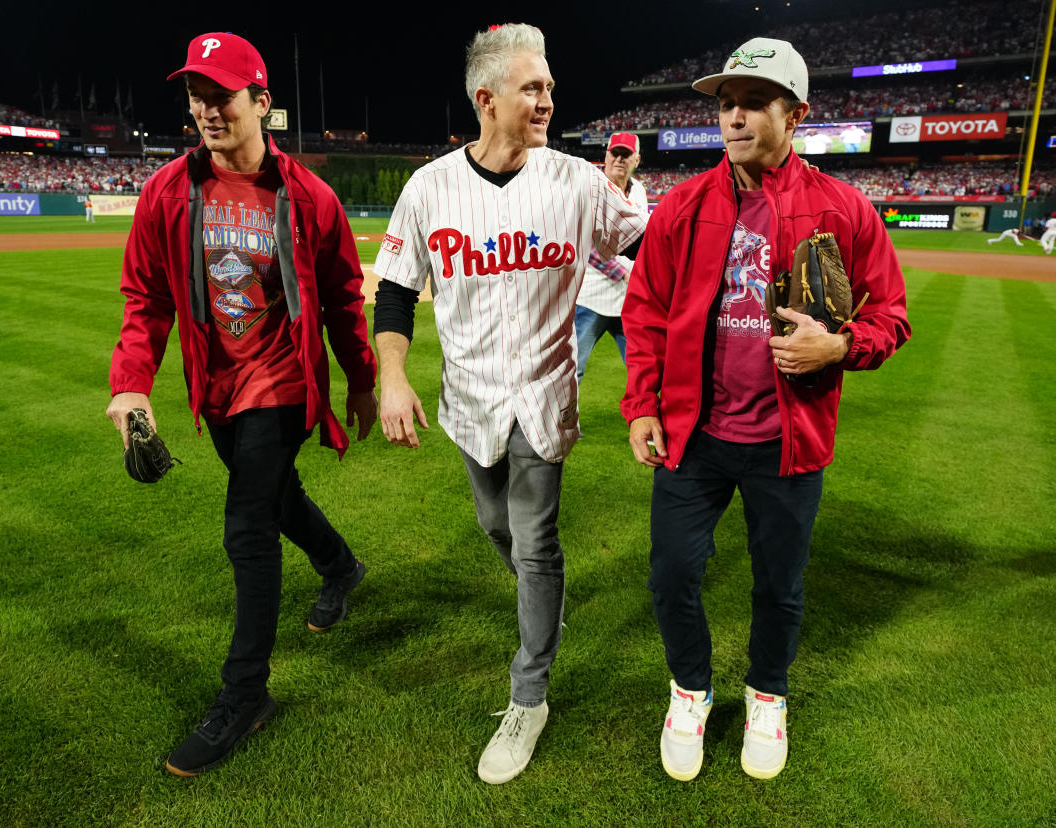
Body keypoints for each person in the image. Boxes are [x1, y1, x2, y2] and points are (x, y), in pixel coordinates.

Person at [620, 37, 910, 783]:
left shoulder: (843, 208)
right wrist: (641, 405)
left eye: (753, 102)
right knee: (672, 572)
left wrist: (838, 348)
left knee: (778, 583)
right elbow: (646, 309)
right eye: (725, 103)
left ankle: (767, 694)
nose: (735, 116)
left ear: (796, 114)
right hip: (695, 434)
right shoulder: (684, 204)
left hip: (789, 439)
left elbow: (892, 316)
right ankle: (690, 689)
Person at [372, 23, 646, 785]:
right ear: (486, 99)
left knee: (534, 542)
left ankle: (530, 695)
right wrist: (392, 378)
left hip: (545, 394)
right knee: (498, 528)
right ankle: (542, 599)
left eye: (550, 86)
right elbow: (393, 292)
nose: (549, 100)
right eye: (534, 88)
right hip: (469, 399)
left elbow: (648, 247)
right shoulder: (430, 187)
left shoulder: (578, 182)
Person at [105, 31, 378, 778]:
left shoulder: (308, 197)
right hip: (217, 389)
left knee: (247, 525)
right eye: (196, 95)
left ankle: (246, 695)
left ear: (262, 102)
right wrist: (130, 382)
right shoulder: (167, 192)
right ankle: (342, 566)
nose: (205, 109)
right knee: (278, 498)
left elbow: (346, 302)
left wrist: (358, 379)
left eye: (221, 94)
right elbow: (146, 297)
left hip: (282, 384)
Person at [574, 132, 648, 384]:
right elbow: (587, 245)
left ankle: (646, 420)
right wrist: (626, 273)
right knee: (572, 371)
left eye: (625, 155)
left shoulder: (639, 190)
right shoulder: (590, 188)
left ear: (636, 160)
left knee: (642, 370)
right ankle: (556, 423)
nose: (619, 159)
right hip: (590, 298)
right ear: (605, 156)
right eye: (614, 153)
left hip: (628, 301)